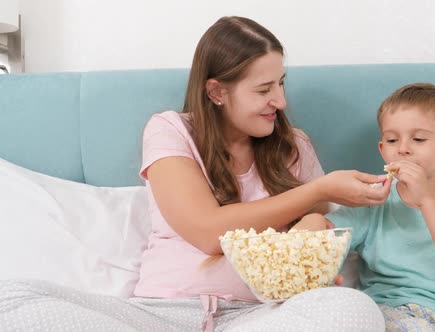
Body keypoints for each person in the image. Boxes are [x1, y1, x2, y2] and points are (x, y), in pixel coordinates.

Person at [0, 16, 392, 332]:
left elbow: (320, 229)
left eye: (281, 84)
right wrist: (315, 191)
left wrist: (314, 227)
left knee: (352, 310)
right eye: (264, 89)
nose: (281, 101)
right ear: (217, 92)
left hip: (260, 318)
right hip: (160, 316)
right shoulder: (170, 131)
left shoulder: (294, 146)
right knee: (12, 300)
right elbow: (208, 232)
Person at [293, 83, 435, 331]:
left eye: (419, 139)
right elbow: (323, 236)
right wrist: (311, 222)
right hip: (387, 310)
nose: (403, 148)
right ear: (383, 150)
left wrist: (426, 202)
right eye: (392, 140)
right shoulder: (372, 203)